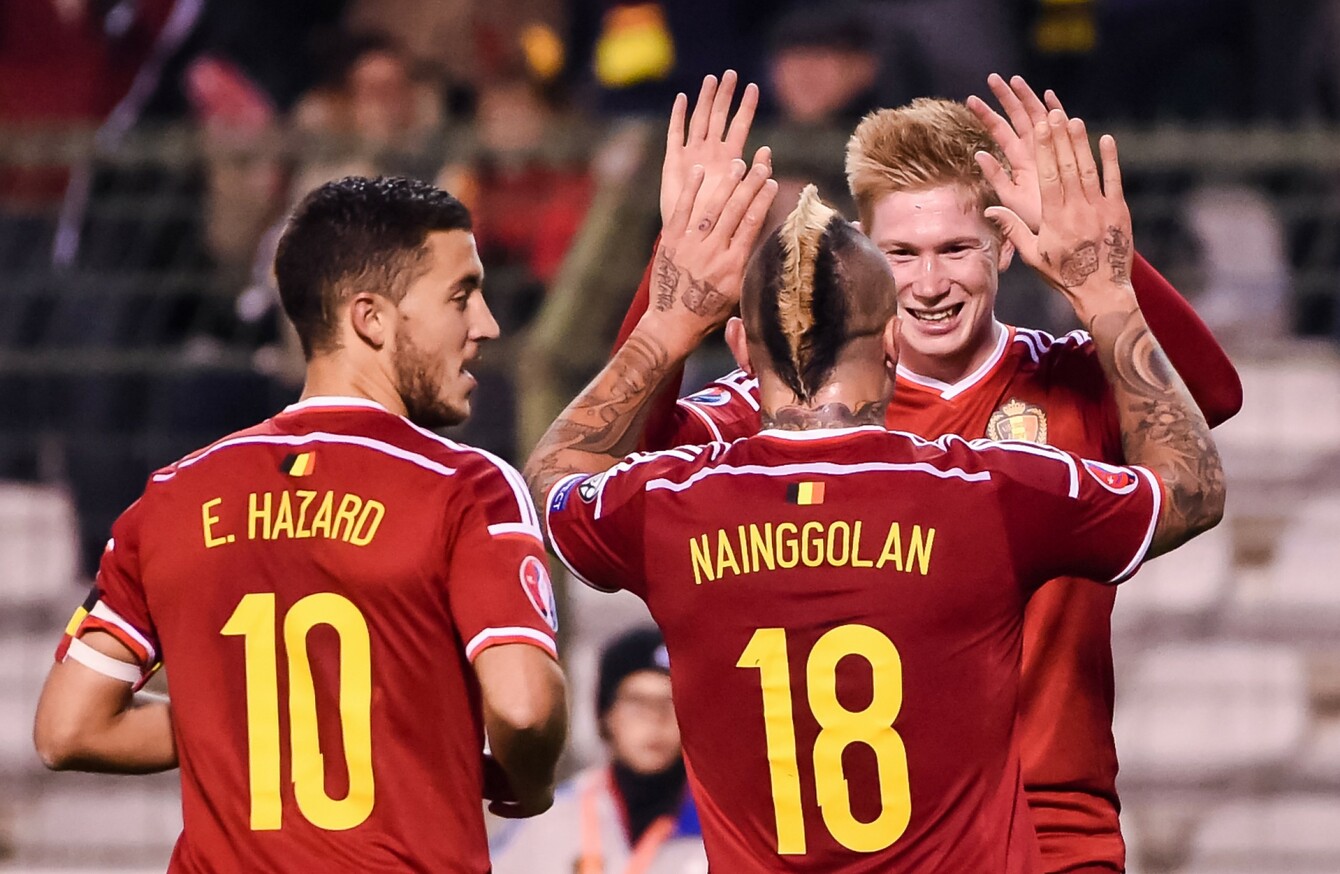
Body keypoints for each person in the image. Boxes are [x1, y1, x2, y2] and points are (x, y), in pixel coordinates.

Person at [525, 106, 1225, 870]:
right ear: (866, 262)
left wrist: (1110, 271)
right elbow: (646, 449)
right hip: (875, 820)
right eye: (901, 253)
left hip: (1052, 814)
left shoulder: (1068, 375)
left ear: (1007, 243)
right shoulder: (787, 413)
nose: (930, 282)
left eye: (955, 248)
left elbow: (1210, 396)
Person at [33, 176, 568, 872]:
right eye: (461, 296)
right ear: (371, 319)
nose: (487, 325)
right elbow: (524, 708)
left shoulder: (170, 498)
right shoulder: (466, 487)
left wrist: (251, 726)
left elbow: (69, 728)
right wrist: (532, 778)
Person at [493, 627, 707, 874]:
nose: (656, 719)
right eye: (638, 702)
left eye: (671, 703)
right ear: (606, 714)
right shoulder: (550, 819)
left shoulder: (719, 827)